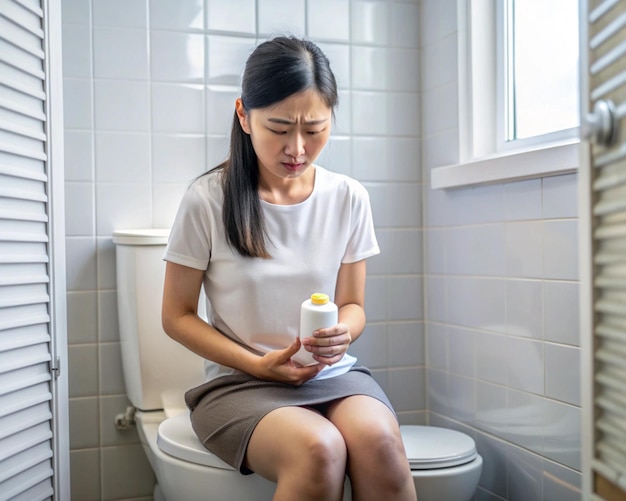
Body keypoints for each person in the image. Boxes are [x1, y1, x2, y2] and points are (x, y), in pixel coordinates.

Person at [161, 36, 417, 501]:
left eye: (314, 129)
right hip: (240, 381)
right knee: (319, 449)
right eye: (278, 128)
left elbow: (353, 305)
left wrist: (344, 331)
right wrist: (258, 364)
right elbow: (175, 316)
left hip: (331, 375)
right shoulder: (207, 199)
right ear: (244, 115)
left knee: (379, 442)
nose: (297, 148)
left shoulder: (348, 197)